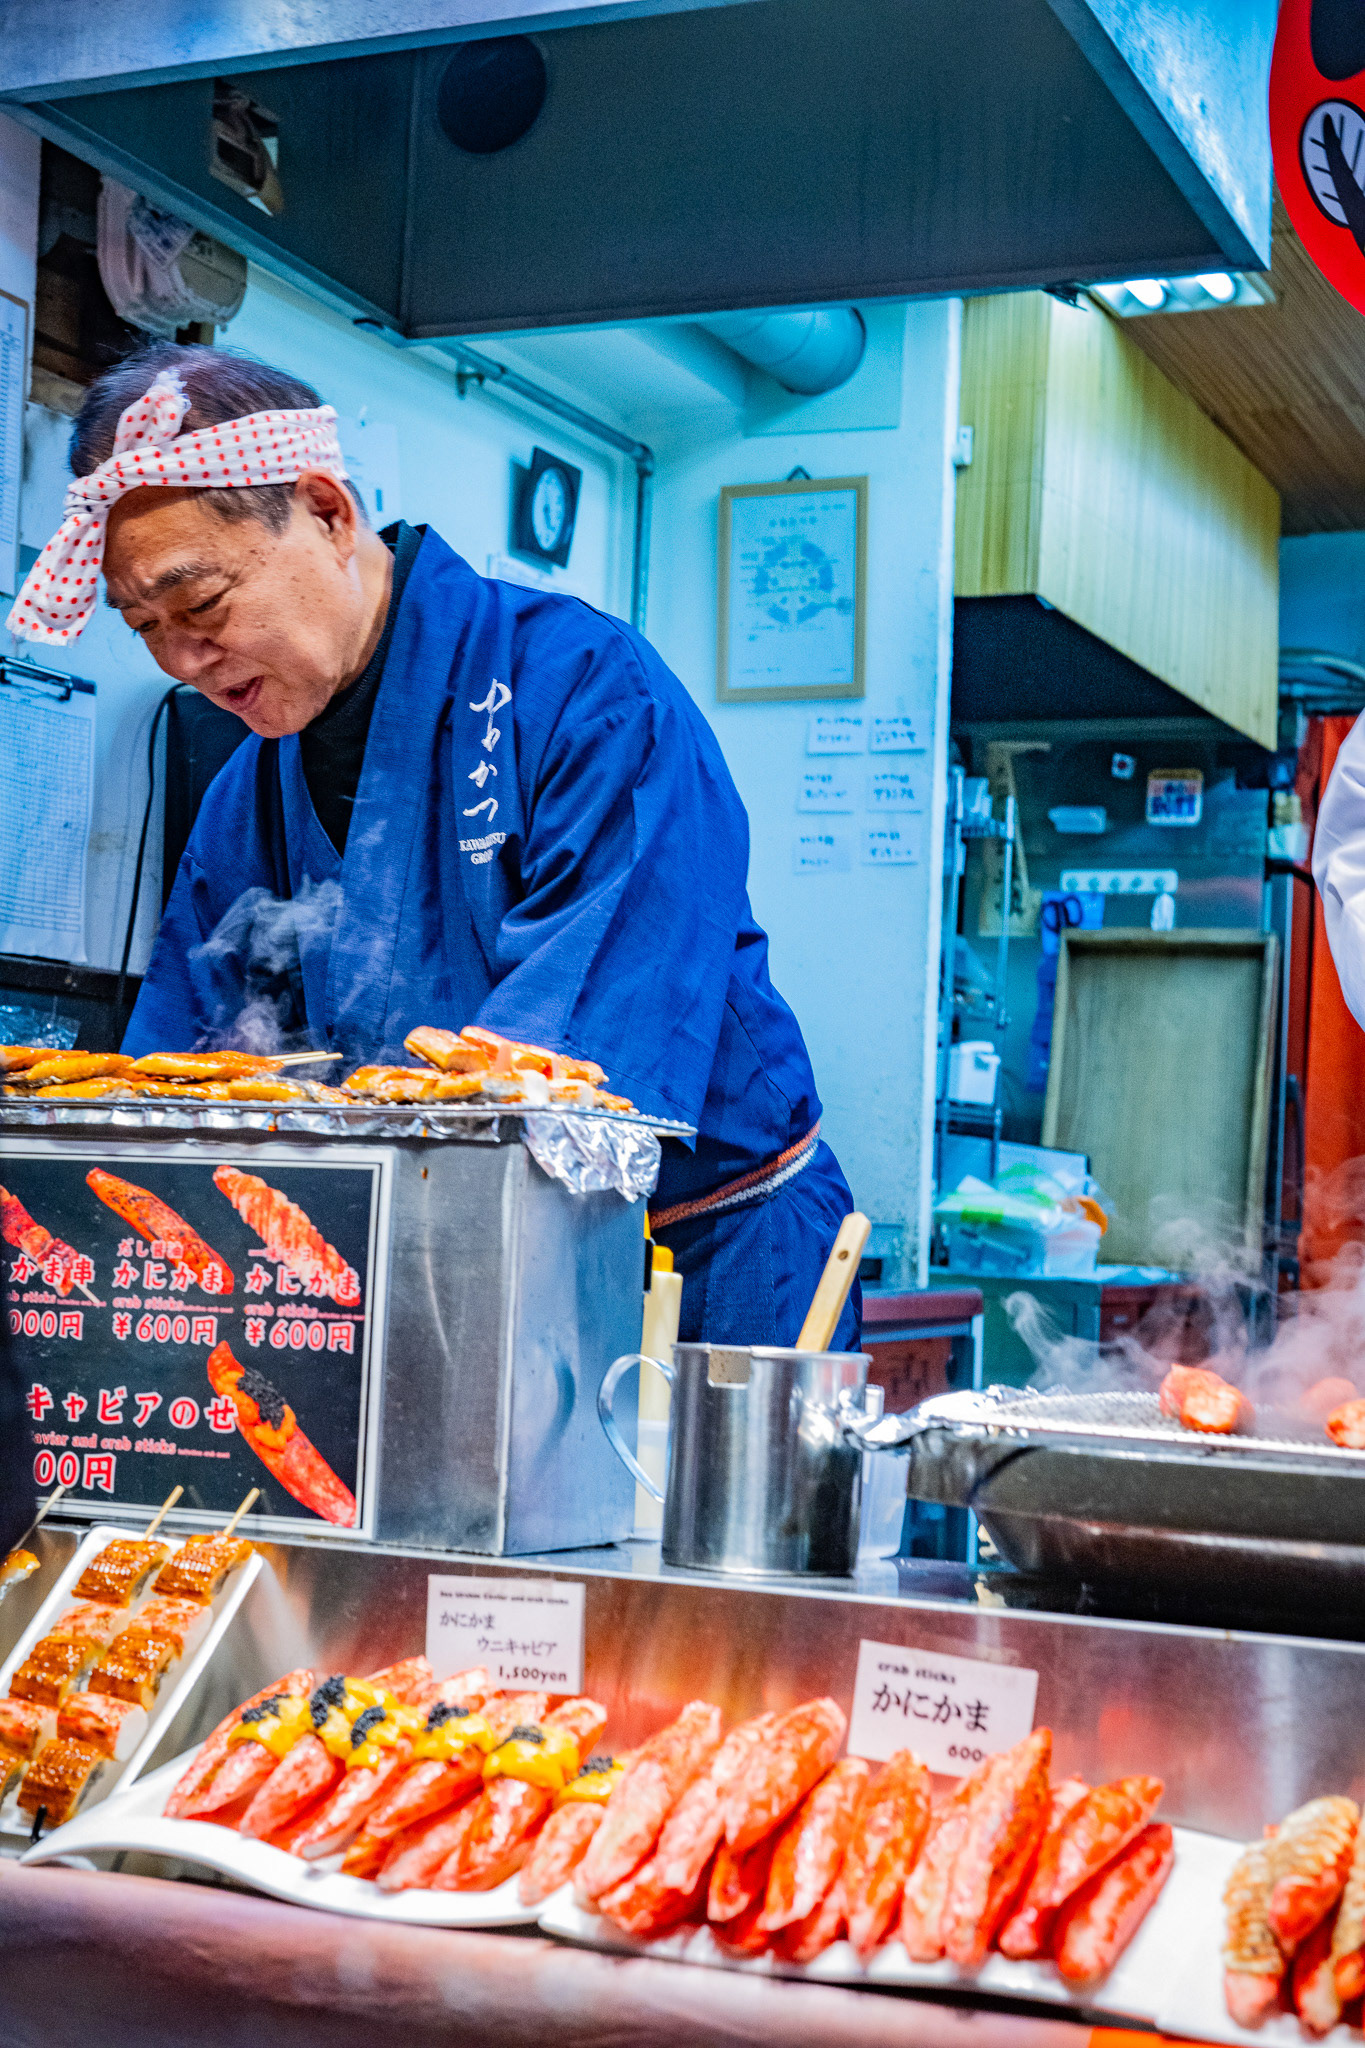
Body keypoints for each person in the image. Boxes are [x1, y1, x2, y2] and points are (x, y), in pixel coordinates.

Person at [8, 343, 859, 1350]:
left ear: (328, 512)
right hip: (410, 1262)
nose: (181, 659)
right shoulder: (250, 792)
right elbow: (186, 1073)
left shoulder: (583, 691)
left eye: (201, 605)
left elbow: (565, 1082)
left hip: (691, 1260)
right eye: (145, 625)